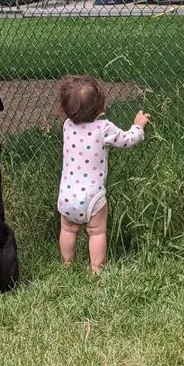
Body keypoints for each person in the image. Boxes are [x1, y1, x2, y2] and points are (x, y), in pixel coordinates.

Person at [58, 75, 150, 273]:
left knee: (68, 229)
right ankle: (96, 270)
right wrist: (138, 126)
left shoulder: (67, 126)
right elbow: (127, 139)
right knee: (97, 232)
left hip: (66, 196)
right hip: (93, 197)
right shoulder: (103, 128)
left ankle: (67, 264)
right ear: (100, 108)